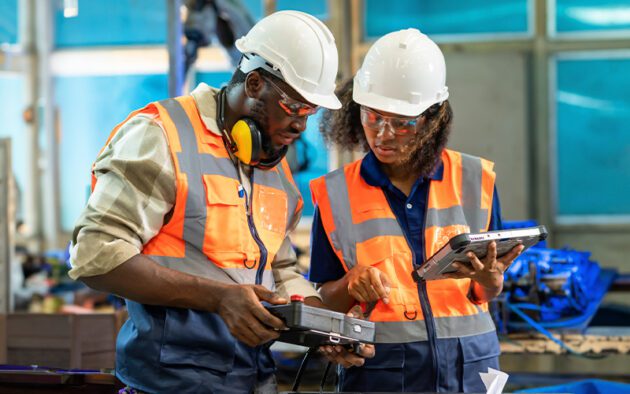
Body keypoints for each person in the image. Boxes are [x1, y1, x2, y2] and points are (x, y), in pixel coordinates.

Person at [69, 11, 341, 393]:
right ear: (254, 82)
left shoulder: (275, 172)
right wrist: (218, 299)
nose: (300, 125)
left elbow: (280, 272)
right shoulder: (163, 137)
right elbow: (93, 256)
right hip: (169, 380)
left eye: (310, 112)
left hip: (254, 378)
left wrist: (324, 326)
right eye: (293, 106)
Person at [309, 28, 524, 392]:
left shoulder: (476, 180)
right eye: (372, 116)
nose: (383, 134)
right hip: (381, 374)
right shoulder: (335, 195)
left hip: (470, 372)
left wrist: (491, 283)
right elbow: (324, 301)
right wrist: (350, 285)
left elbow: (483, 292)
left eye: (403, 123)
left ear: (432, 120)